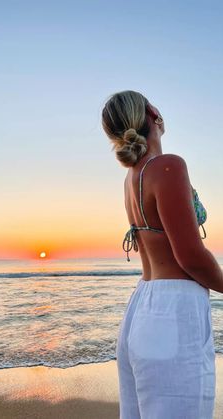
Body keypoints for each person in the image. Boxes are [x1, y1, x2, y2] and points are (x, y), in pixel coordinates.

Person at [101, 90, 223, 419]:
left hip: (142, 308)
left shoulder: (132, 178)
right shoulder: (167, 166)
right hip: (174, 312)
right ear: (153, 112)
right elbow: (190, 256)